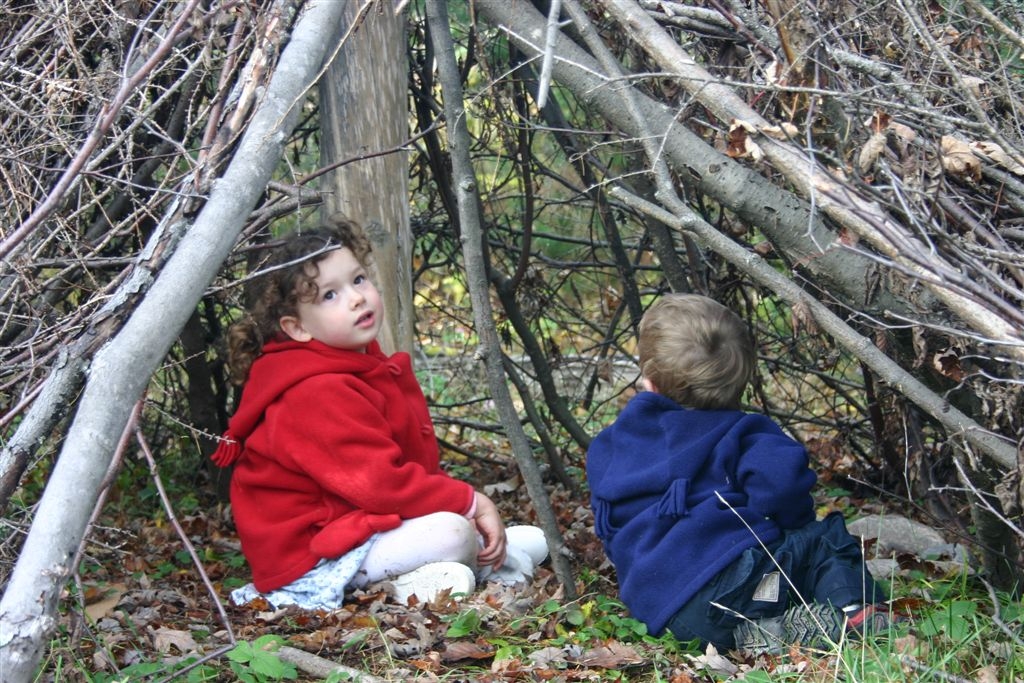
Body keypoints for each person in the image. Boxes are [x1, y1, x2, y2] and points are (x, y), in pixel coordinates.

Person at [211, 216, 547, 611]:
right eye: (329, 296)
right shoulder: (314, 390)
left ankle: (452, 566)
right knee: (454, 532)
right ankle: (407, 584)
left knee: (533, 538)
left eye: (357, 280)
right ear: (297, 327)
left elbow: (396, 472)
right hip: (313, 555)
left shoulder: (352, 363)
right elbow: (381, 483)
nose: (356, 298)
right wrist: (469, 502)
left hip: (358, 527)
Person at [586, 293, 892, 654]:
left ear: (649, 380)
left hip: (664, 614)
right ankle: (855, 615)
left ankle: (759, 635)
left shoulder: (610, 445)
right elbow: (782, 490)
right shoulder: (743, 433)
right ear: (742, 379)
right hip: (735, 586)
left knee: (752, 584)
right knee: (825, 540)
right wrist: (789, 529)